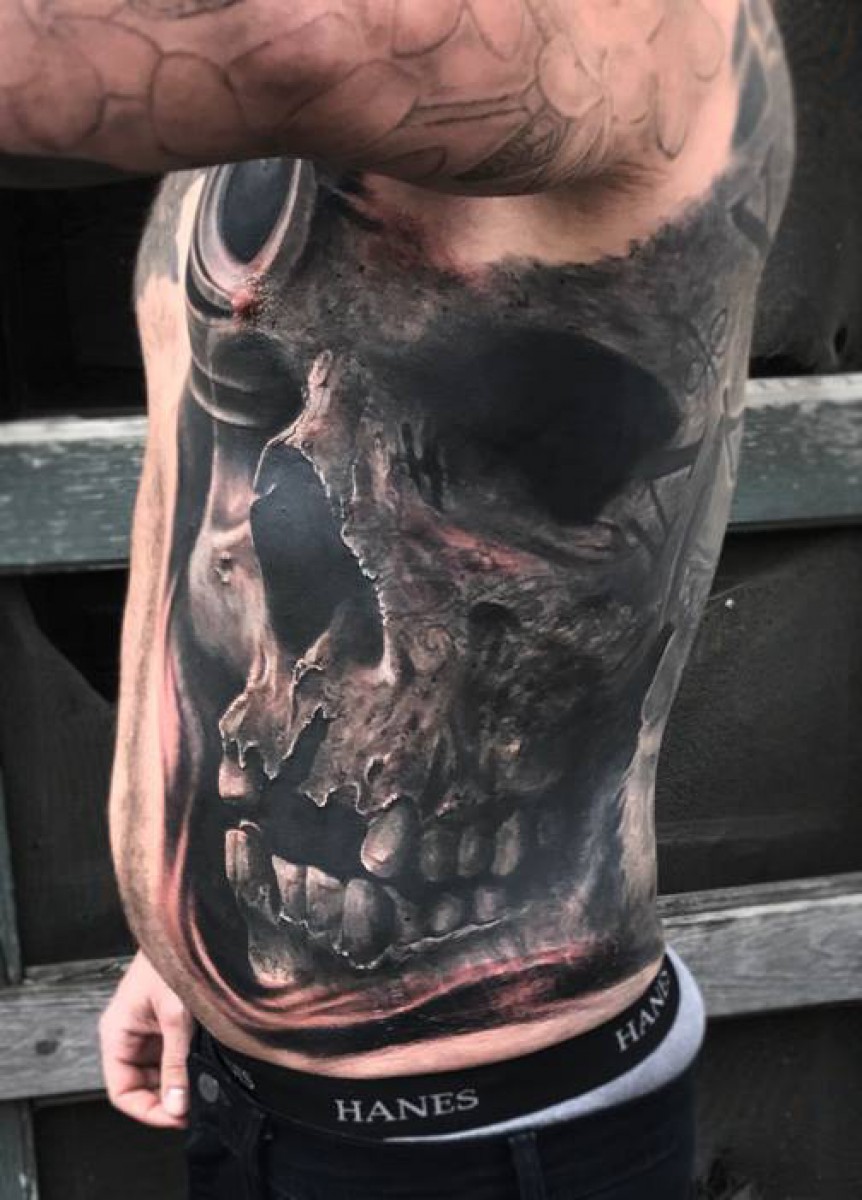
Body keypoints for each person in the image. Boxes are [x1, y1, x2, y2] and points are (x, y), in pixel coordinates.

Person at [0, 1, 794, 1195]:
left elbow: (294, 45)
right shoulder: (256, 138)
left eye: (527, 465)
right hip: (240, 1087)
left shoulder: (638, 23)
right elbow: (197, 471)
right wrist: (190, 916)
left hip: (487, 1145)